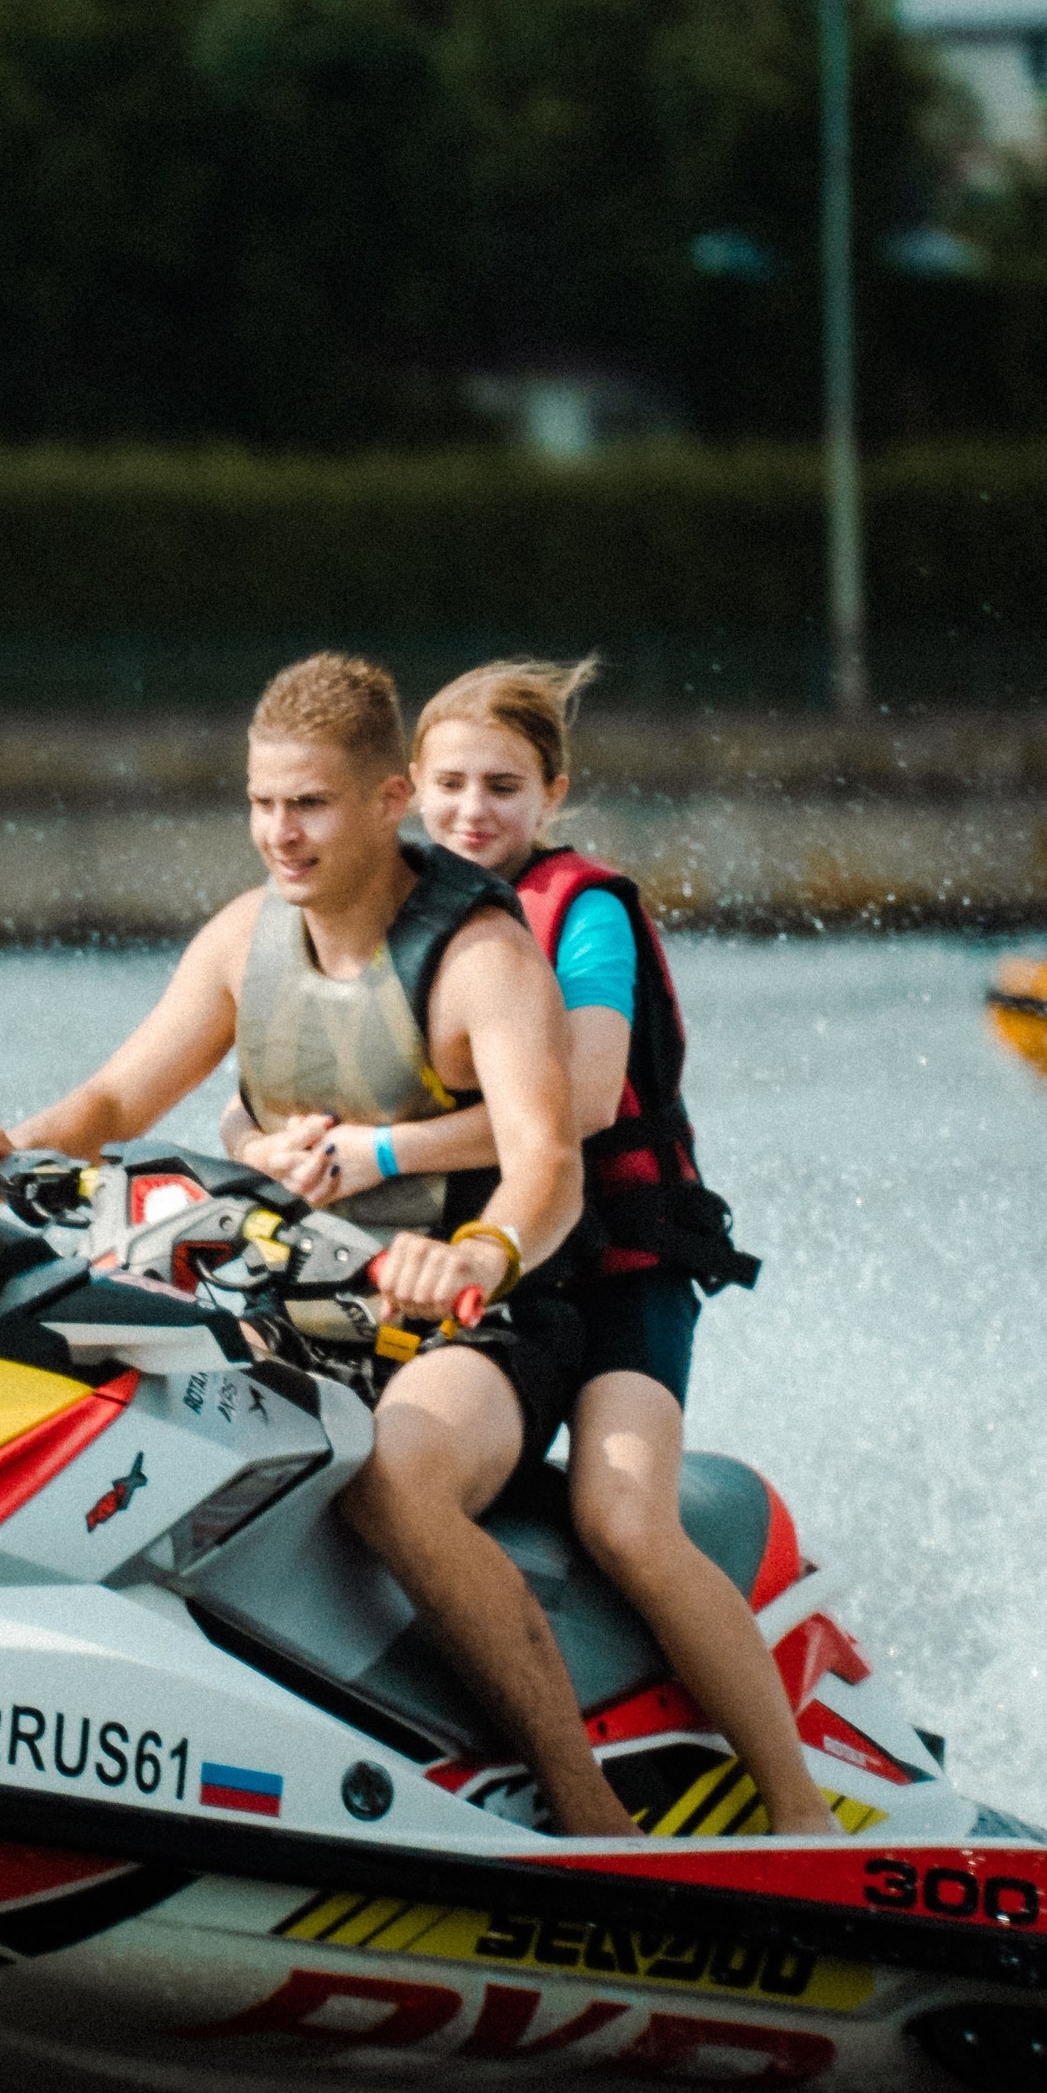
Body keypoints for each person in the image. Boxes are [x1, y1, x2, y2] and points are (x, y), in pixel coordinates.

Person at [0, 649, 640, 1841]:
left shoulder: (480, 961)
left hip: (479, 1323)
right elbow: (110, 1104)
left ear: (383, 801)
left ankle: (583, 1804)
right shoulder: (241, 940)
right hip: (294, 1296)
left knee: (394, 1474)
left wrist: (475, 1259)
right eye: (261, 803)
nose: (280, 834)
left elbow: (547, 1167)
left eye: (307, 804)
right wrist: (10, 1142)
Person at [249, 655, 834, 1842]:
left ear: (553, 793)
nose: (474, 812)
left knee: (625, 1520)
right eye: (452, 784)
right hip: (485, 1274)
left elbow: (582, 1099)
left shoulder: (582, 913)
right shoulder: (393, 919)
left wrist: (380, 1152)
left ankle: (798, 1808)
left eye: (504, 786)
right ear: (408, 790)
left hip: (619, 1271)